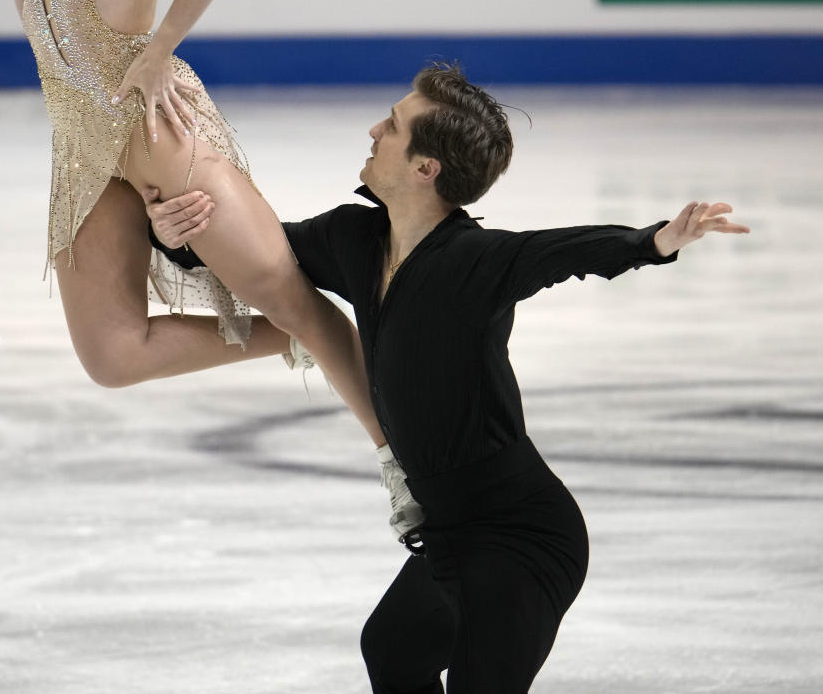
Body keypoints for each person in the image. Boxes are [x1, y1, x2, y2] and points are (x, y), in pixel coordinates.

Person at [147, 63, 749, 693]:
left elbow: (564, 250)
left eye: (395, 124)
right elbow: (256, 254)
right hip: (450, 534)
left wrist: (654, 240)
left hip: (521, 540)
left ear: (425, 168)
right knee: (393, 648)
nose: (375, 128)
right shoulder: (353, 237)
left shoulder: (474, 262)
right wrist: (175, 238)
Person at [0, 0, 419, 534]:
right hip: (82, 141)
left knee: (296, 299)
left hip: (153, 123)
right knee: (113, 353)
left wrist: (158, 50)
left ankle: (406, 466)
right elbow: (55, 37)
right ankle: (286, 339)